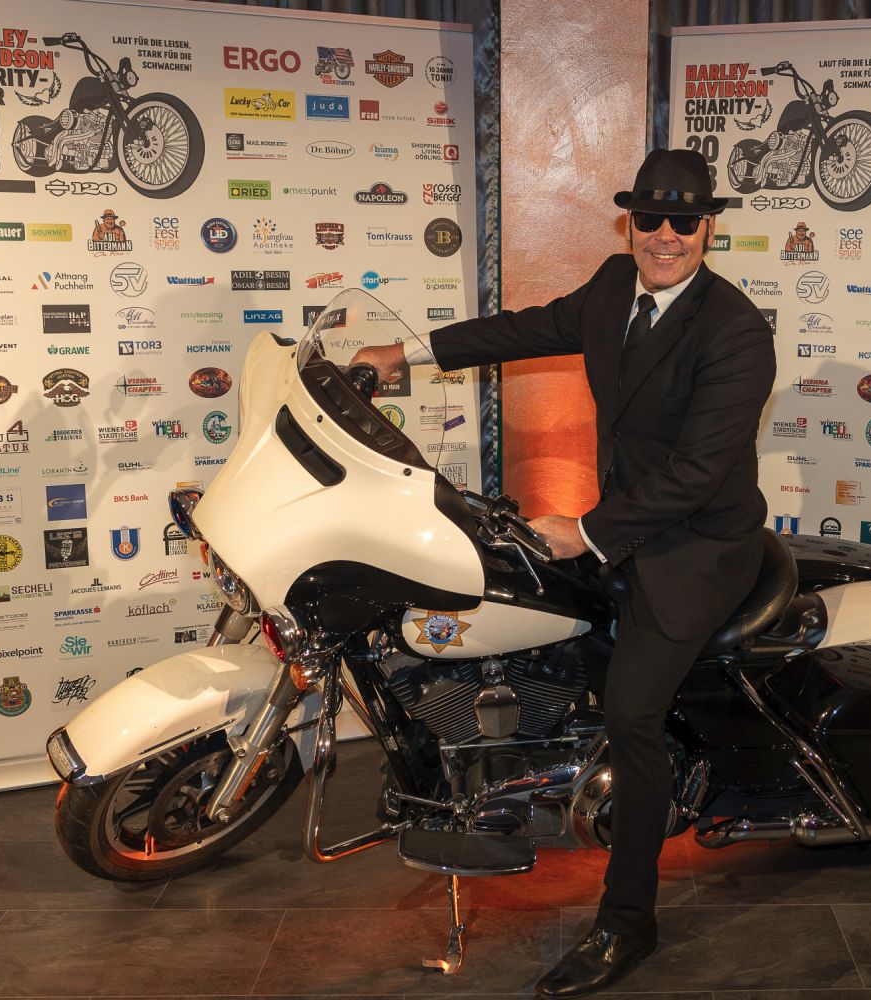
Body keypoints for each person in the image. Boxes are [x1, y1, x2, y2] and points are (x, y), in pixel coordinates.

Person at [351, 148, 776, 997]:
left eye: (683, 221)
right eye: (649, 218)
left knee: (632, 714)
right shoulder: (618, 285)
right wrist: (407, 354)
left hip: (697, 549)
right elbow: (527, 328)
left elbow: (696, 474)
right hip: (628, 529)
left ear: (708, 230)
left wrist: (585, 531)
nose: (664, 235)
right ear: (629, 223)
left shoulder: (734, 331)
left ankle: (628, 922)